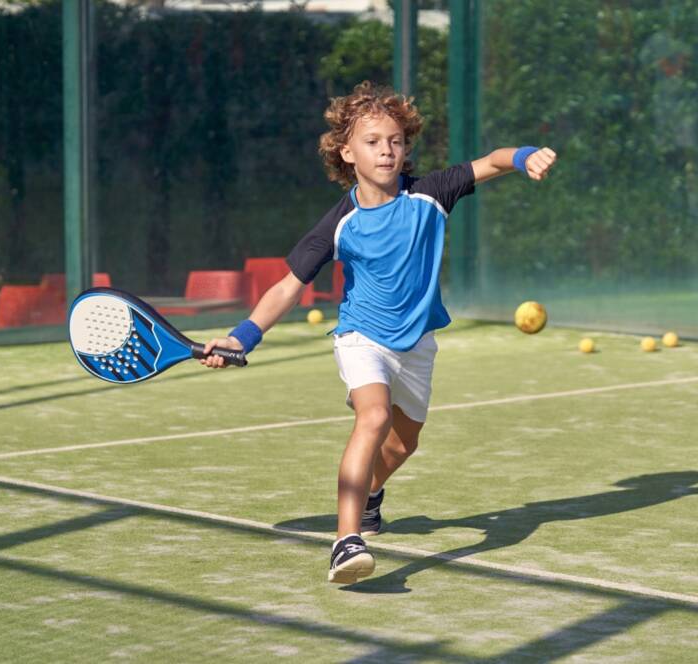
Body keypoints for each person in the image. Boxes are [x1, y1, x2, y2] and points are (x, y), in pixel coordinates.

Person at [201, 81, 556, 584]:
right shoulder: (338, 224)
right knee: (371, 418)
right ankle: (347, 541)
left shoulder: (431, 195)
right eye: (372, 142)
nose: (386, 150)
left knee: (401, 445)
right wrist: (243, 337)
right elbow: (287, 287)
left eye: (394, 141)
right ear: (347, 153)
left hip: (417, 344)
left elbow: (493, 161)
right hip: (362, 337)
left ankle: (368, 495)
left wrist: (525, 156)